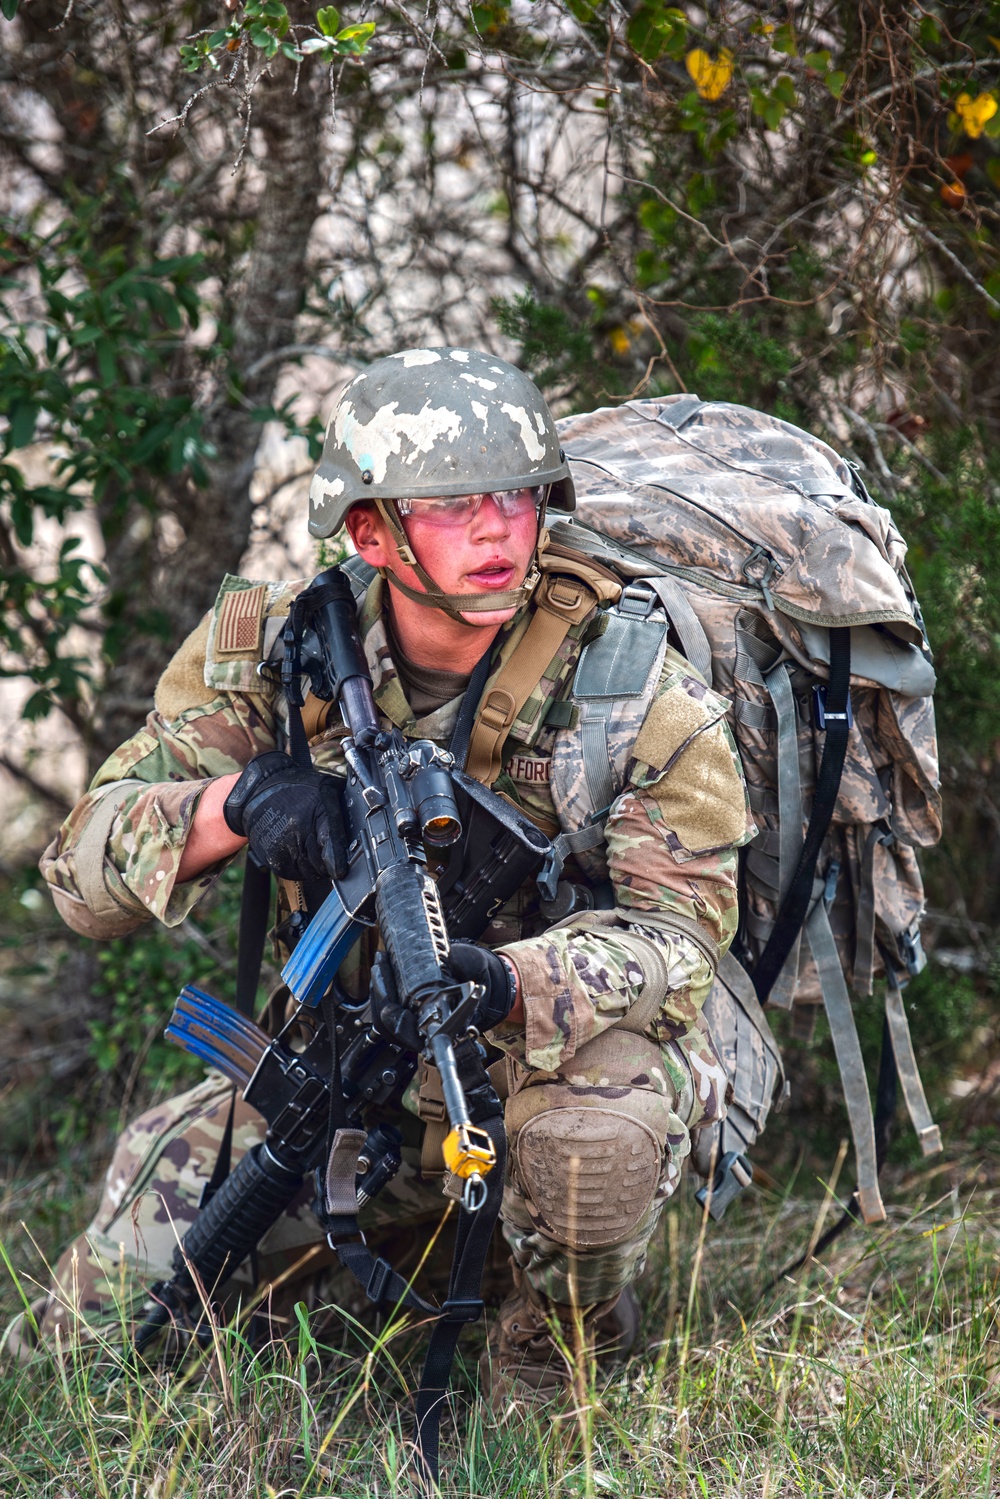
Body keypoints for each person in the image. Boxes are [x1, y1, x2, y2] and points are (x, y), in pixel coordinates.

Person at [15, 348, 755, 1412]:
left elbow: (681, 943)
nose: (501, 529)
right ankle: (407, 1249)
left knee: (592, 1133)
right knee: (85, 1341)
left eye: (518, 495)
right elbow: (80, 875)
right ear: (371, 531)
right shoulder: (280, 653)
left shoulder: (634, 689)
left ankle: (561, 1347)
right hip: (343, 1074)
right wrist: (241, 804)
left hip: (538, 1065)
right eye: (456, 506)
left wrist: (506, 981)